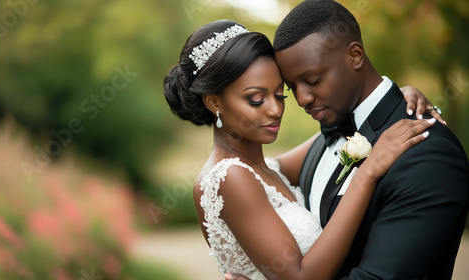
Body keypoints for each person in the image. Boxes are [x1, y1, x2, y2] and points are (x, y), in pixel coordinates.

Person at [163, 18, 447, 280]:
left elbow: (352, 131)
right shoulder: (229, 178)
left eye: (279, 94)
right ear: (213, 102)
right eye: (256, 99)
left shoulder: (268, 169)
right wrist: (367, 173)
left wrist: (397, 99)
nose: (276, 110)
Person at [225, 1, 469, 280]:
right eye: (292, 88)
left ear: (355, 55)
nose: (302, 99)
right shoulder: (321, 142)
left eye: (313, 79)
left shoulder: (427, 154)